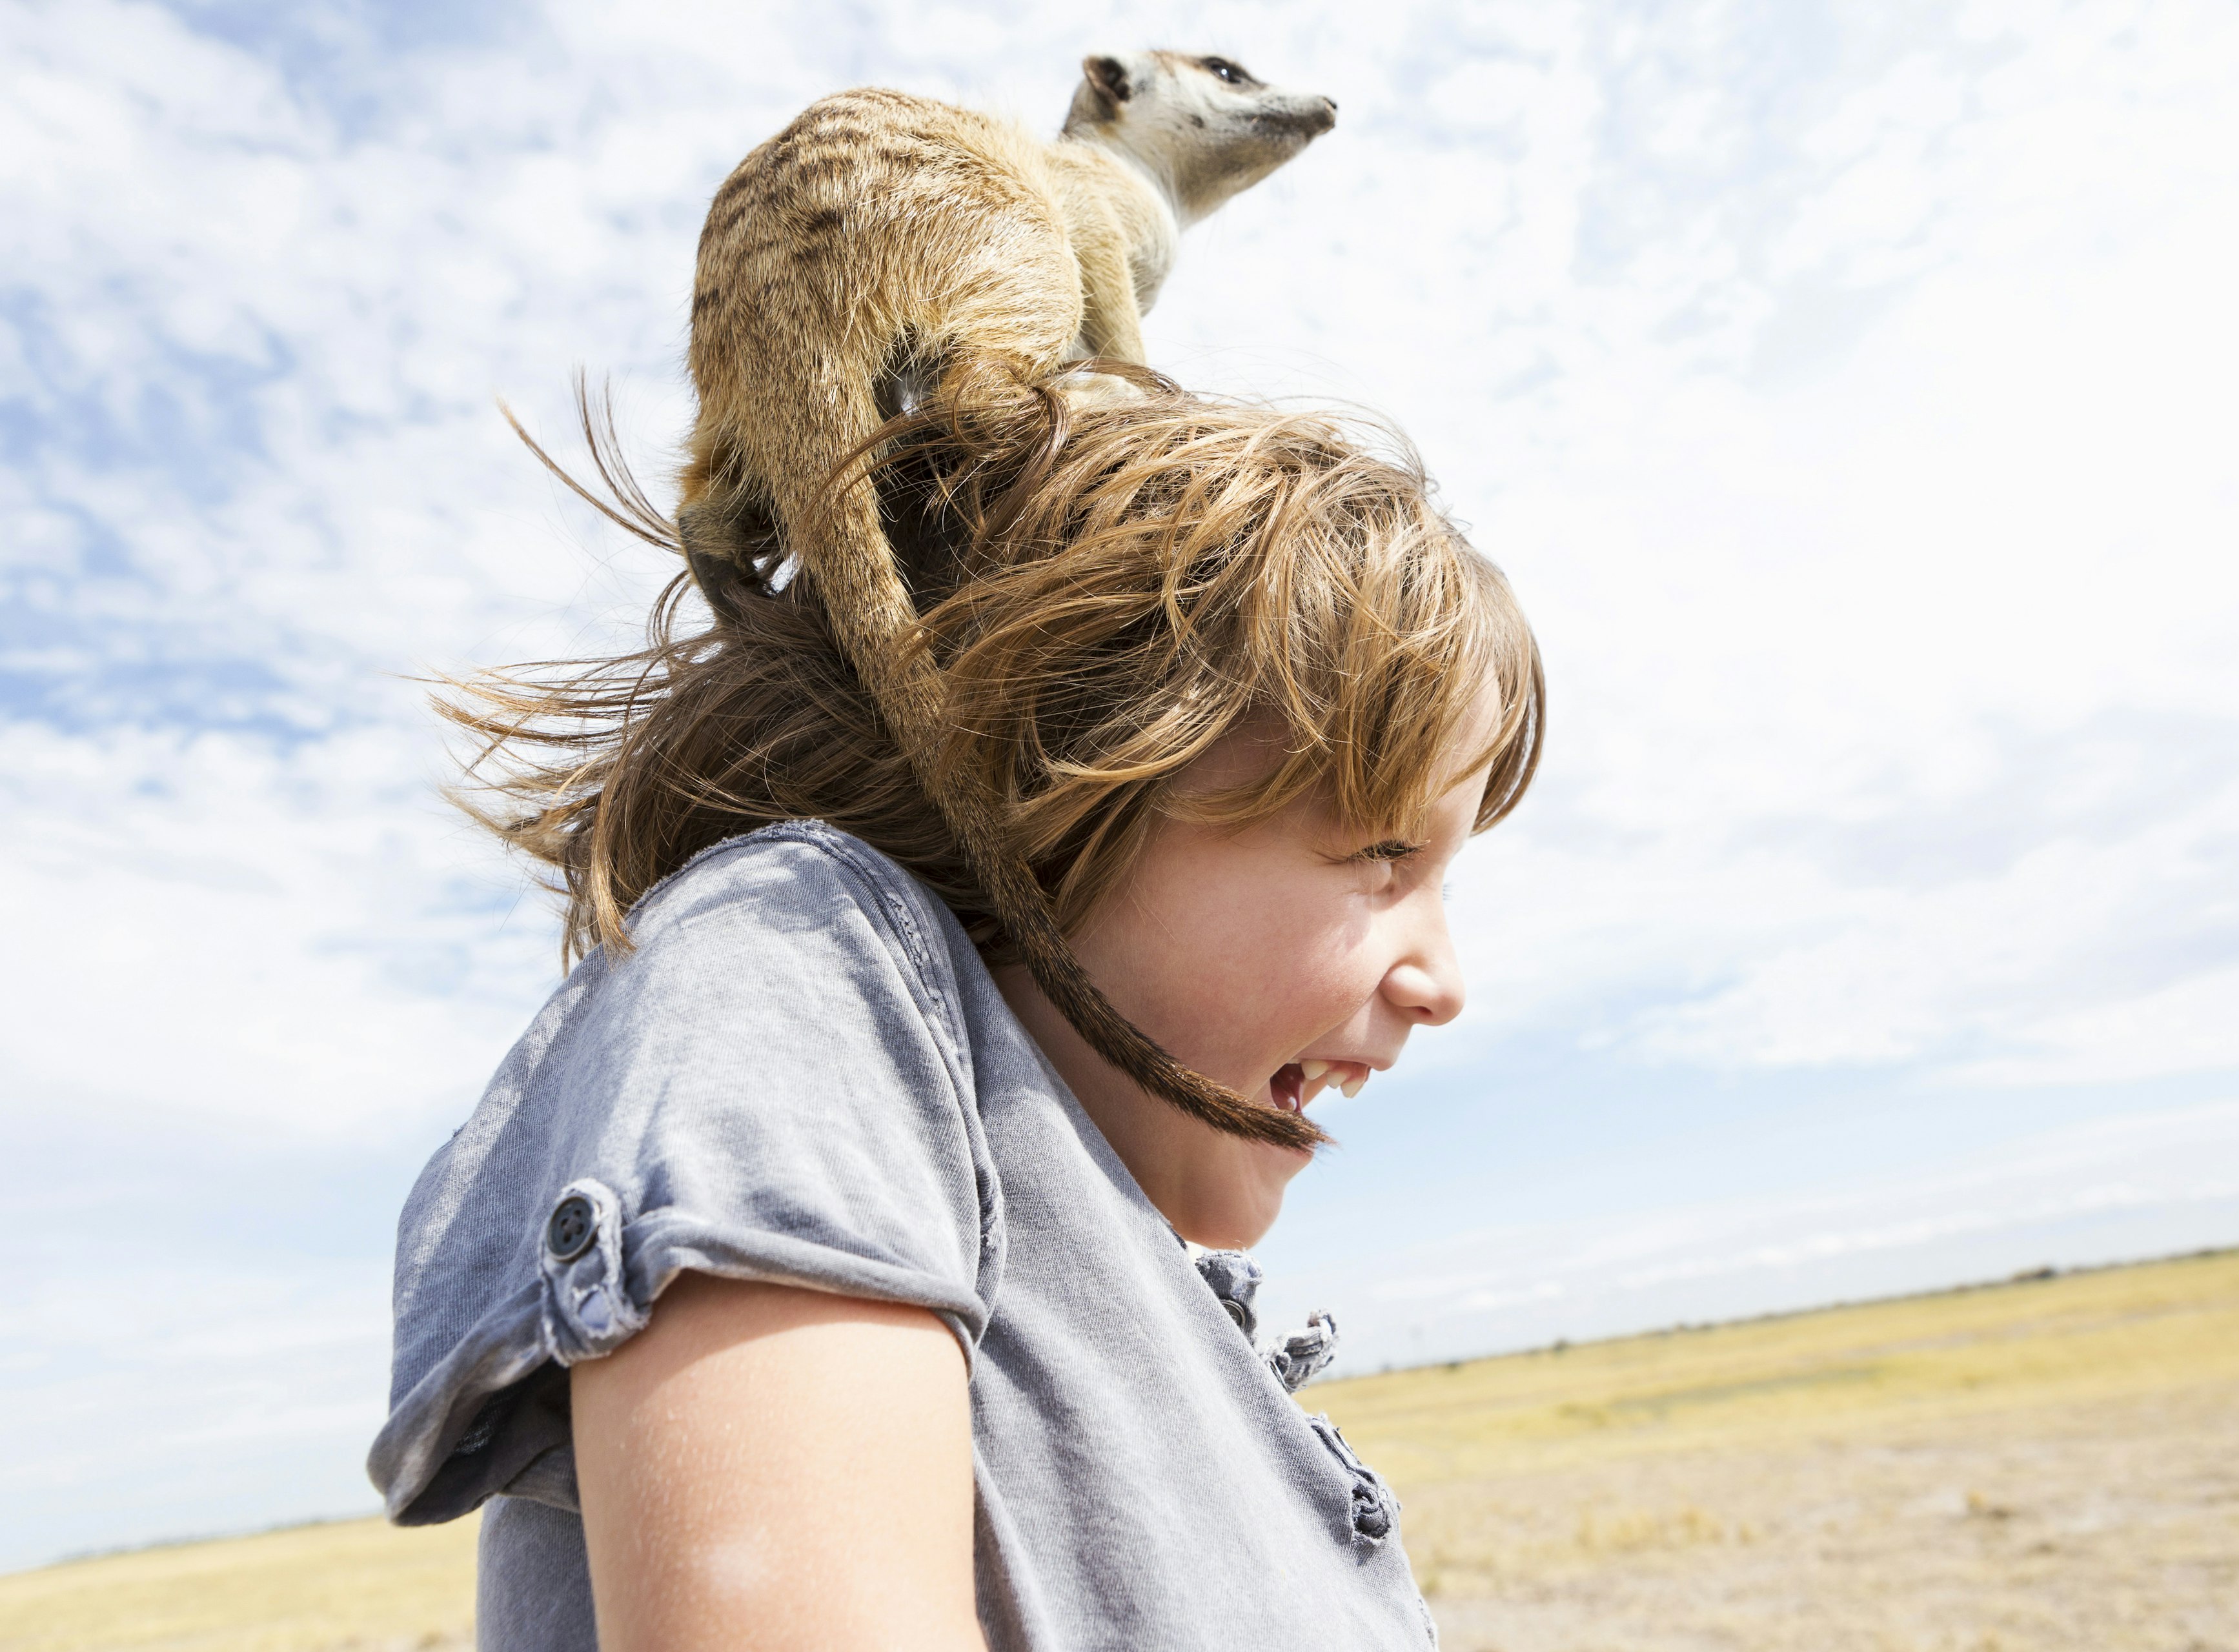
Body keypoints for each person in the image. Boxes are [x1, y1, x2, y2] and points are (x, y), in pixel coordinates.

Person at [367, 372, 1545, 1651]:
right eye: (1380, 848)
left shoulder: (1119, 1277)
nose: (1444, 978)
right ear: (1052, 780)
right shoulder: (794, 960)